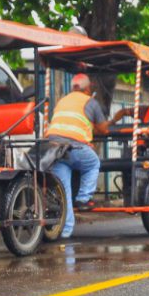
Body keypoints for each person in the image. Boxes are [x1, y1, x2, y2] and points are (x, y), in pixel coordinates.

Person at [44, 73, 110, 238]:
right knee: (93, 163)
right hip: (74, 146)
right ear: (88, 88)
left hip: (54, 148)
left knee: (65, 191)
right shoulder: (90, 101)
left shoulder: (62, 100)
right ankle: (83, 198)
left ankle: (65, 231)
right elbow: (104, 129)